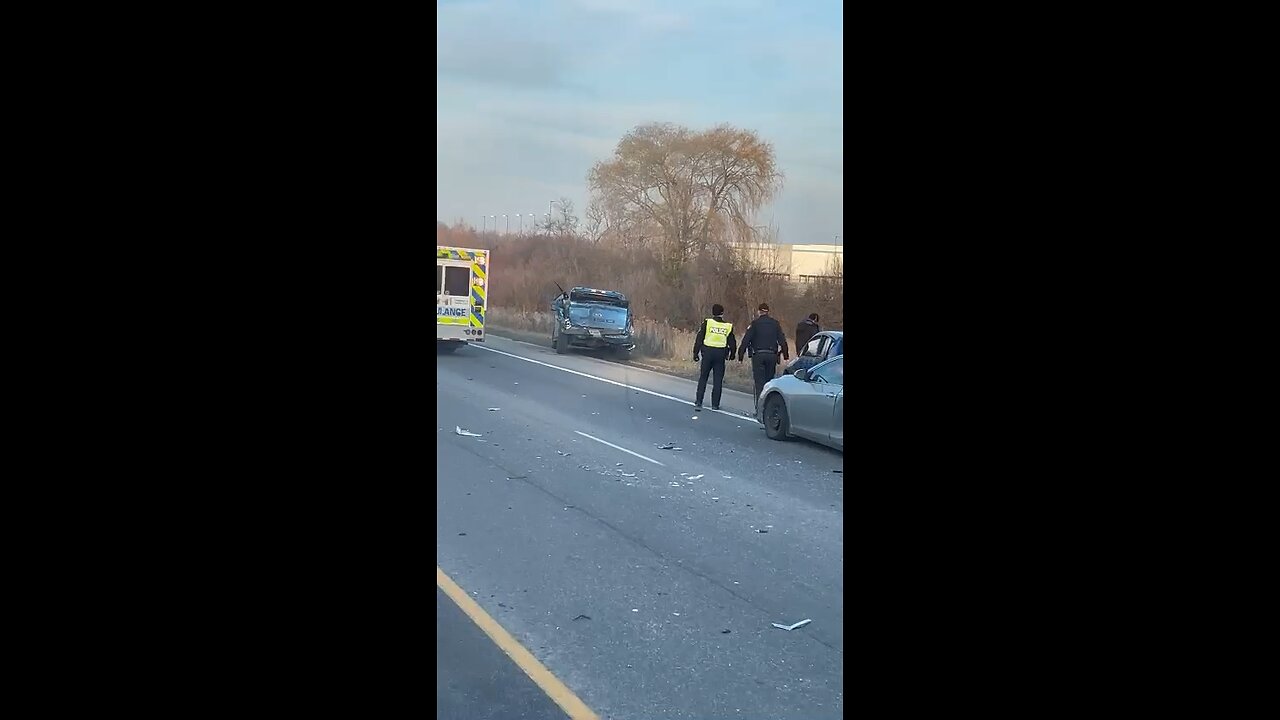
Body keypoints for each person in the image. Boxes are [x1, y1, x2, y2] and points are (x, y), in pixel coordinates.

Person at [737, 302, 790, 413]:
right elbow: (782, 340)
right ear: (768, 311)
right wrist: (786, 356)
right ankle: (769, 410)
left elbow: (746, 340)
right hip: (772, 356)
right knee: (770, 383)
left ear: (759, 311)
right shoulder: (775, 324)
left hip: (758, 356)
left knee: (759, 384)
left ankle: (759, 410)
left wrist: (740, 356)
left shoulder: (755, 324)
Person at [692, 304, 737, 411]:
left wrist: (695, 353)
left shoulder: (707, 323)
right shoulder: (727, 326)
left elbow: (699, 339)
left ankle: (699, 401)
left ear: (712, 312)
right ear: (722, 313)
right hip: (720, 355)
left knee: (703, 378)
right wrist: (732, 354)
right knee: (718, 380)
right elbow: (732, 342)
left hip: (707, 353)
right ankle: (715, 404)